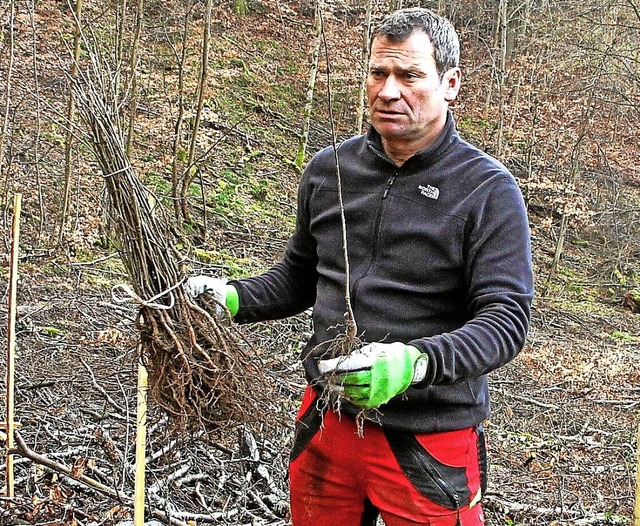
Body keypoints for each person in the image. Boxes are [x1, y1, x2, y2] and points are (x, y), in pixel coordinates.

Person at [187, 7, 534, 525]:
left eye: (411, 76)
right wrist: (232, 297)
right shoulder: (330, 170)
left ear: (450, 83)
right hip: (326, 425)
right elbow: (300, 277)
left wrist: (414, 363)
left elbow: (505, 322)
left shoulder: (487, 190)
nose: (389, 90)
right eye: (379, 72)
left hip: (428, 439)